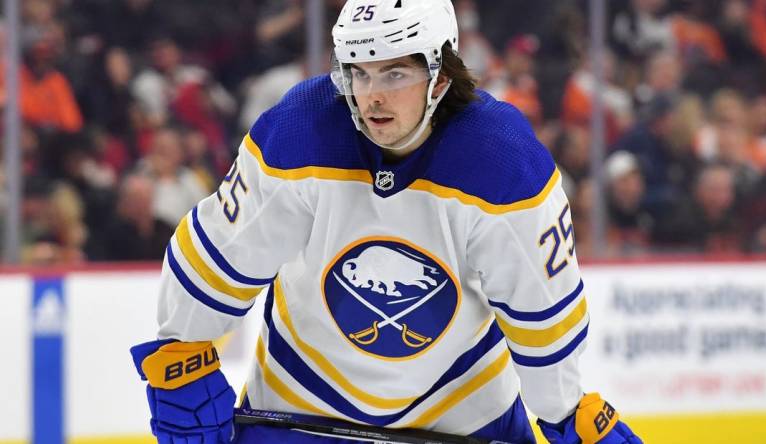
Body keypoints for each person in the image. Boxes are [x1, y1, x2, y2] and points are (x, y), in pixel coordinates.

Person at [130, 1, 643, 443]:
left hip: (461, 420)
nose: (370, 94)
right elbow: (218, 256)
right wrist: (182, 354)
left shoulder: (502, 162)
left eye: (394, 73)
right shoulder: (301, 131)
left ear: (441, 74)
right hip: (301, 406)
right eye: (359, 71)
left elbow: (539, 311)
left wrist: (565, 411)